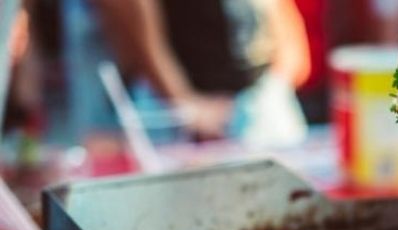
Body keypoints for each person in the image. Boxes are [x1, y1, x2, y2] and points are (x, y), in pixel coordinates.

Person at [94, 0, 311, 145]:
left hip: (262, 101)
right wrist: (184, 102)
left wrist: (279, 80)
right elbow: (127, 15)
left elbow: (283, 19)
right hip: (181, 113)